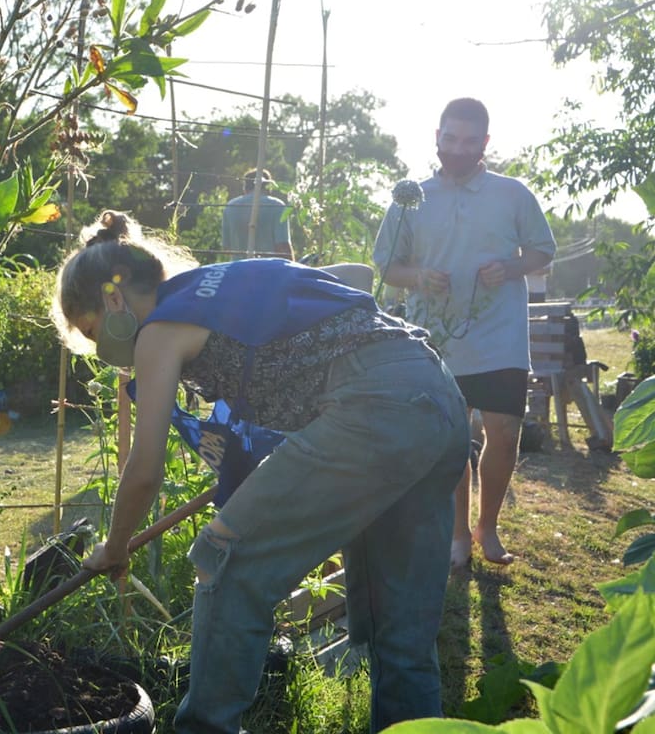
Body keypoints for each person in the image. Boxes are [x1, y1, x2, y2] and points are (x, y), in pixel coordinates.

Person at [53, 210, 469, 733]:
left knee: (227, 560)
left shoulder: (158, 329)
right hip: (437, 398)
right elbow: (357, 278)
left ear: (114, 301)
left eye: (92, 333)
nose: (98, 348)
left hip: (374, 409)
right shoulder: (223, 284)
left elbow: (143, 470)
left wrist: (115, 546)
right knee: (399, 630)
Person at [372, 97, 556, 569]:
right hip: (437, 337)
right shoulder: (410, 197)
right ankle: (457, 535)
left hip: (500, 332)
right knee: (453, 436)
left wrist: (511, 267)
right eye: (449, 138)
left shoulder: (512, 193)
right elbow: (387, 267)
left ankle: (487, 525)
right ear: (436, 136)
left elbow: (542, 251)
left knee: (505, 429)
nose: (457, 148)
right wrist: (418, 278)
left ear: (485, 144)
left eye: (469, 141)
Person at [220, 168, 293, 258]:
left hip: (239, 269)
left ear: (245, 188)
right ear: (269, 187)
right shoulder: (277, 206)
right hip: (269, 269)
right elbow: (283, 247)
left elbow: (226, 247)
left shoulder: (230, 207)